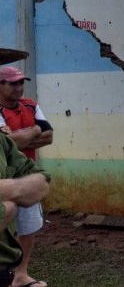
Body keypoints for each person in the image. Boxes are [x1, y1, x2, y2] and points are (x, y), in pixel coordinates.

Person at [0, 66, 52, 287]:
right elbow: (16, 141)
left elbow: (48, 135)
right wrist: (33, 131)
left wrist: (22, 137)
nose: (19, 88)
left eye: (21, 83)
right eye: (13, 83)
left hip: (22, 171)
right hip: (15, 174)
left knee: (28, 225)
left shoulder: (30, 104)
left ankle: (21, 274)